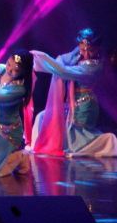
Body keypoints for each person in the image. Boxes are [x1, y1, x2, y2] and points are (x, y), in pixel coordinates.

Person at [32, 28, 117, 157]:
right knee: (43, 117)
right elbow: (61, 59)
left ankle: (108, 142)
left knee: (73, 137)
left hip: (85, 105)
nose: (86, 53)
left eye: (91, 50)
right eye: (83, 49)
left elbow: (65, 71)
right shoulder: (78, 53)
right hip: (71, 102)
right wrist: (55, 64)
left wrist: (43, 60)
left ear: (97, 48)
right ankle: (37, 146)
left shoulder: (95, 67)